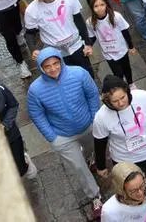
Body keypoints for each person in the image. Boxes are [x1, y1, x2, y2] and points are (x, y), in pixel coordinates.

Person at [27, 48, 104, 216]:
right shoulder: (35, 89)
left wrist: (94, 118)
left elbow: (92, 95)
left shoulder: (79, 74)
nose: (53, 68)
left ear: (61, 61)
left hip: (87, 125)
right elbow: (37, 114)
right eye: (47, 66)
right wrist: (52, 137)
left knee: (92, 151)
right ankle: (95, 196)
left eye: (55, 63)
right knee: (78, 166)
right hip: (62, 136)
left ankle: (91, 159)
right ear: (41, 68)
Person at [93, 75, 146, 190]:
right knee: (135, 192)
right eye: (115, 101)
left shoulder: (144, 97)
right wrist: (101, 166)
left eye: (123, 97)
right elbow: (100, 143)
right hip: (125, 160)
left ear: (127, 91)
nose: (121, 103)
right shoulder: (101, 117)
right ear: (108, 101)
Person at [24, 0, 94, 74]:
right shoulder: (31, 10)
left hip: (76, 46)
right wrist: (33, 49)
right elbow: (29, 33)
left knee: (87, 75)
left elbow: (79, 20)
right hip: (54, 53)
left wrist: (87, 43)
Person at [0, 79, 36, 179]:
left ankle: (24, 159)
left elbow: (13, 105)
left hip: (10, 135)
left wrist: (4, 125)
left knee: (20, 170)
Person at [88, 0, 136, 86]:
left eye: (102, 4)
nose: (99, 8)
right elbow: (92, 36)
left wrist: (131, 46)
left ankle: (131, 83)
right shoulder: (90, 22)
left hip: (121, 49)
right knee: (118, 73)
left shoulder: (116, 16)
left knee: (126, 68)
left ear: (106, 4)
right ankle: (122, 86)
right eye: (96, 6)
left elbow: (125, 31)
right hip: (108, 53)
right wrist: (89, 46)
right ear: (92, 8)